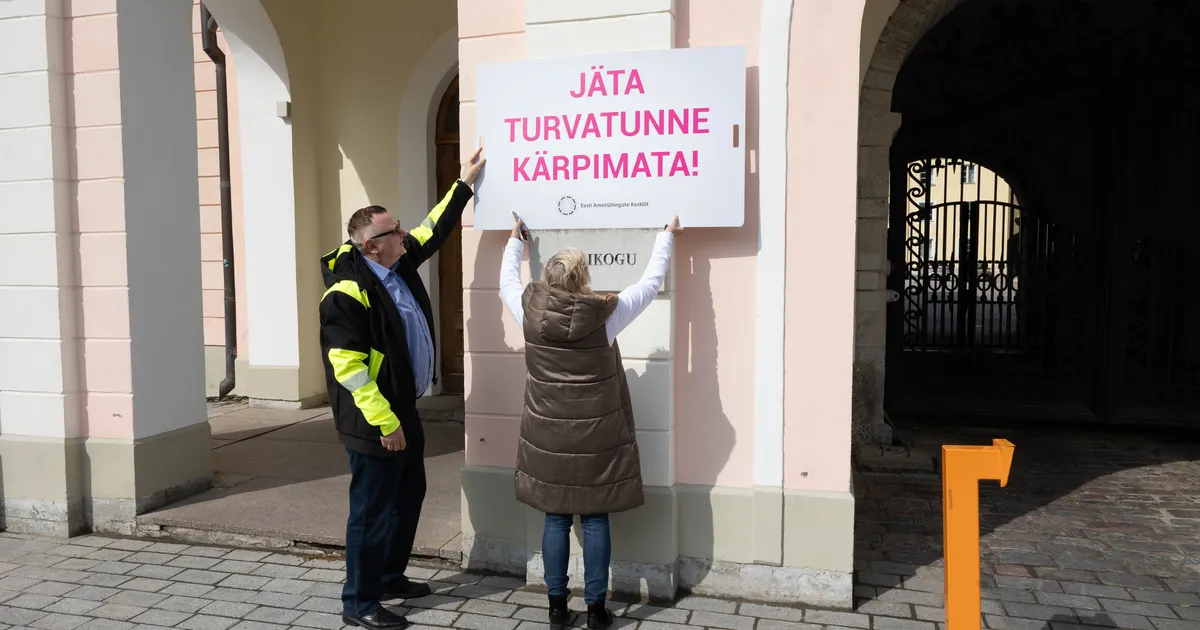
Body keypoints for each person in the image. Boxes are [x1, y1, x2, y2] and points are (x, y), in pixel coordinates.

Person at [320, 147, 486, 630]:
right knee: (371, 511)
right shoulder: (347, 293)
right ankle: (359, 604)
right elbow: (348, 371)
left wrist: (464, 183)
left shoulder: (396, 263)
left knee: (409, 493)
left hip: (403, 408)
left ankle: (390, 575)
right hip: (372, 418)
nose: (404, 233)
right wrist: (386, 422)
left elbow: (431, 231)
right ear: (372, 244)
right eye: (395, 230)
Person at [498, 215, 683, 629]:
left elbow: (506, 281)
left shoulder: (527, 312)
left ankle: (557, 608)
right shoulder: (606, 317)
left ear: (548, 278)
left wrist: (515, 242)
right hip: (598, 436)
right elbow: (650, 285)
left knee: (555, 517)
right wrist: (665, 236)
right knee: (596, 517)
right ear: (585, 278)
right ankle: (597, 610)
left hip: (546, 434)